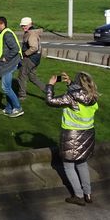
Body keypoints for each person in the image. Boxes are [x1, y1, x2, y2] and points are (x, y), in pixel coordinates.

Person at [45, 71, 99, 206]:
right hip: (88, 135)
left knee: (68, 165)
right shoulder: (93, 96)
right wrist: (69, 83)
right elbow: (79, 93)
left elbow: (50, 101)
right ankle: (87, 193)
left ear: (79, 84)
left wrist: (50, 86)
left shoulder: (71, 97)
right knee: (82, 163)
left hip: (72, 136)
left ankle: (78, 196)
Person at [0, 16, 23, 118]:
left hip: (9, 64)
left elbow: (15, 48)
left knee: (5, 88)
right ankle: (9, 109)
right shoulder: (4, 33)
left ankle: (18, 108)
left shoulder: (7, 34)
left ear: (3, 24)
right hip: (8, 64)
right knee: (8, 87)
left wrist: (6, 58)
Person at [18, 16, 46, 101]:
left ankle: (22, 95)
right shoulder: (32, 32)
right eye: (22, 25)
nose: (23, 27)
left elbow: (34, 47)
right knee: (32, 78)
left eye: (25, 25)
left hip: (30, 58)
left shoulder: (31, 34)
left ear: (30, 24)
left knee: (21, 76)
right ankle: (48, 91)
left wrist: (24, 54)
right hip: (36, 59)